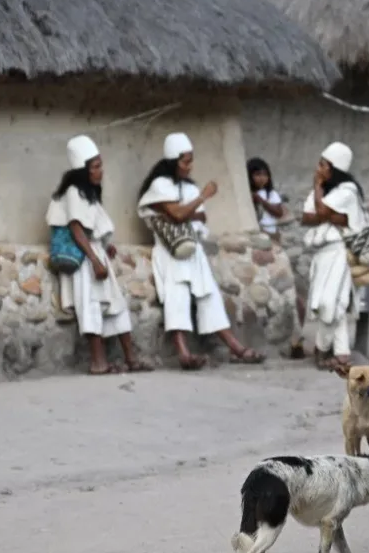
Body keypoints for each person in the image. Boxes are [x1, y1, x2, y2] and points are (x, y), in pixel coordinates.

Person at [137, 132, 266, 370]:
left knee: (210, 296)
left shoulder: (188, 188)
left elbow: (197, 215)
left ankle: (235, 347)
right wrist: (201, 198)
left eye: (191, 160)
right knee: (177, 297)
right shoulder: (159, 186)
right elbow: (177, 215)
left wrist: (185, 210)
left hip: (193, 250)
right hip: (171, 251)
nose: (190, 166)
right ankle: (183, 354)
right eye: (185, 161)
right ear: (173, 161)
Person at [46, 135, 152, 375]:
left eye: (100, 165)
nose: (100, 171)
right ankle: (98, 362)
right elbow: (75, 226)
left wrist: (105, 247)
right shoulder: (74, 191)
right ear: (83, 170)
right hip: (86, 260)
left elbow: (92, 225)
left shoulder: (87, 192)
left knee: (116, 305)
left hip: (96, 254)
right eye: (95, 166)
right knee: (91, 308)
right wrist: (94, 260)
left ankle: (131, 359)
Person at [299, 142, 368, 372]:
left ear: (333, 168)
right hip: (321, 255)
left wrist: (318, 188)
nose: (318, 169)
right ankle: (342, 354)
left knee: (331, 303)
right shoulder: (326, 191)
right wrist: (327, 214)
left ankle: (321, 348)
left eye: (322, 165)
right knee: (330, 304)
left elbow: (319, 212)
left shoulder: (348, 190)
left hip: (340, 253)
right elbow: (307, 217)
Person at [248, 157, 288, 242]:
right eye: (258, 174)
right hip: (255, 233)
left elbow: (279, 213)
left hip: (270, 232)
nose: (262, 178)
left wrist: (261, 201)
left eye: (265, 175)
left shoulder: (271, 194)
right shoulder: (247, 193)